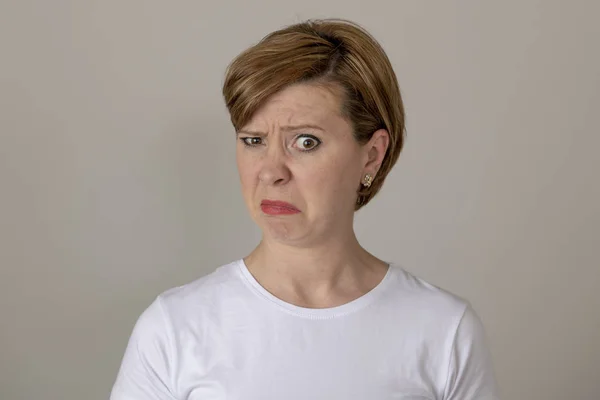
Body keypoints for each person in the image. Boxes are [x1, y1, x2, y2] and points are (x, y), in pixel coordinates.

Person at [110, 18, 499, 400]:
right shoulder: (175, 329)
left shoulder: (443, 332)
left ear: (372, 156)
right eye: (253, 140)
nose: (271, 172)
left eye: (306, 142)